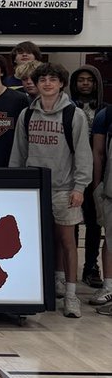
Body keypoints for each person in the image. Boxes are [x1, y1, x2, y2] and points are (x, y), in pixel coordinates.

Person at [9, 63, 92, 319]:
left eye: (52, 79)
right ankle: (37, 288)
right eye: (42, 79)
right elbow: (18, 153)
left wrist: (80, 187)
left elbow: (83, 154)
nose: (47, 83)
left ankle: (71, 295)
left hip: (64, 188)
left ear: (61, 84)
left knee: (67, 242)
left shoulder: (74, 115)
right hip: (34, 187)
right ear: (36, 84)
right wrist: (15, 184)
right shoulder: (27, 114)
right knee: (33, 240)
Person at [69, 64, 107, 288]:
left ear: (96, 84)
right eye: (81, 80)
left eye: (89, 80)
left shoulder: (105, 110)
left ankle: (91, 266)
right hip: (71, 171)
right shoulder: (67, 108)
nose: (85, 83)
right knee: (70, 222)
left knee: (94, 223)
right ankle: (68, 268)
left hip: (97, 171)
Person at [90, 96, 112, 310]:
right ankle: (108, 286)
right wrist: (97, 185)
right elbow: (98, 154)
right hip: (109, 188)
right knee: (110, 237)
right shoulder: (106, 115)